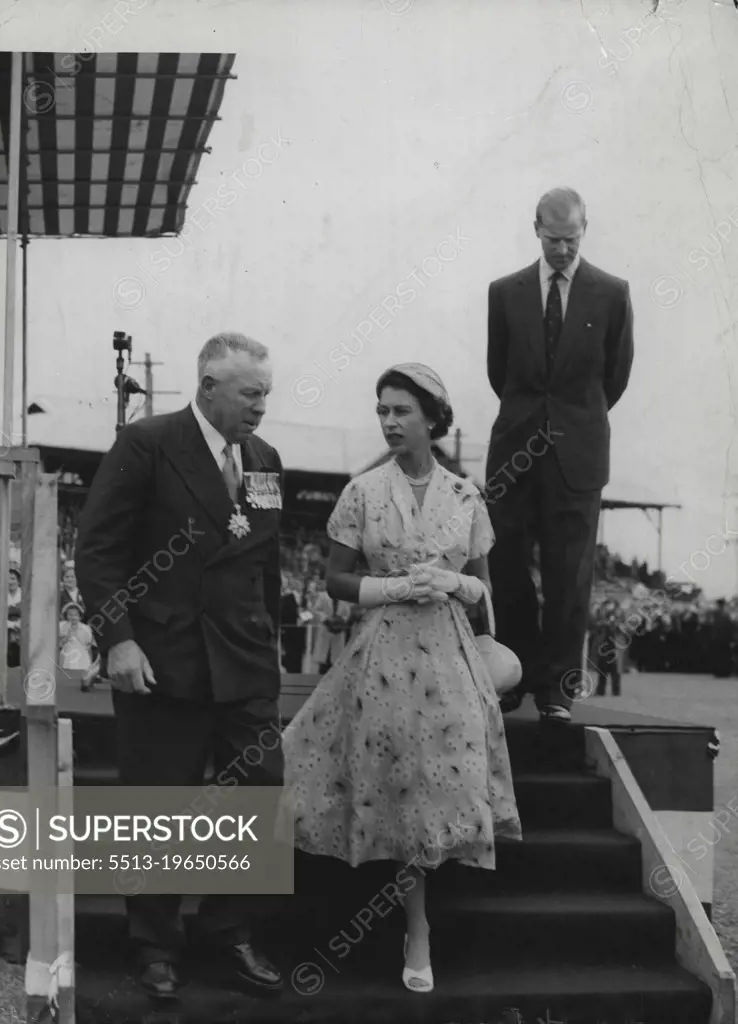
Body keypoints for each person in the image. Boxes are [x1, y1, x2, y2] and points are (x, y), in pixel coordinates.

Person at [282, 363, 521, 994]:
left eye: (401, 412)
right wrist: (390, 586)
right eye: (382, 410)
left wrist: (454, 582)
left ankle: (425, 928)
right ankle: (413, 927)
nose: (388, 421)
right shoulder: (360, 492)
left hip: (448, 652)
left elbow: (484, 590)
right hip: (381, 654)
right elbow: (334, 580)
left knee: (440, 780)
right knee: (385, 778)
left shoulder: (467, 497)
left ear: (433, 420)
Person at [76, 332, 284, 1000]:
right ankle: (154, 945)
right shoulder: (148, 444)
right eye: (250, 394)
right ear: (208, 389)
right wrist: (118, 640)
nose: (260, 407)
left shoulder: (265, 459)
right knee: (159, 804)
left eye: (266, 395)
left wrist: (268, 641)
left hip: (244, 661)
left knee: (258, 790)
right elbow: (99, 549)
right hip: (162, 660)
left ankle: (231, 931)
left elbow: (264, 562)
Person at [486, 187, 634, 722]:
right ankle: (516, 675)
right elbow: (498, 373)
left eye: (572, 240)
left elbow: (613, 379)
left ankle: (558, 692)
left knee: (568, 575)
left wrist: (574, 421)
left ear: (584, 230)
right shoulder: (504, 293)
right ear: (536, 229)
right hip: (514, 450)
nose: (563, 251)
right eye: (554, 240)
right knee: (504, 563)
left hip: (579, 454)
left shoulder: (612, 294)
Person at [58, 602, 94, 671]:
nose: (73, 617)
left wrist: (91, 664)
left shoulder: (86, 628)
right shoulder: (61, 626)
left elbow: (89, 647)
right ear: (66, 616)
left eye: (75, 615)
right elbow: (59, 645)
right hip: (66, 658)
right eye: (70, 615)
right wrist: (67, 635)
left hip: (82, 659)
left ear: (80, 616)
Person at [6, 567, 22, 667]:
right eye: (8, 579)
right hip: (5, 633)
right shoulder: (1, 595)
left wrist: (20, 624)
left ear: (18, 581)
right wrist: (11, 625)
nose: (10, 582)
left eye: (13, 579)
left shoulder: (25, 595)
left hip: (22, 632)